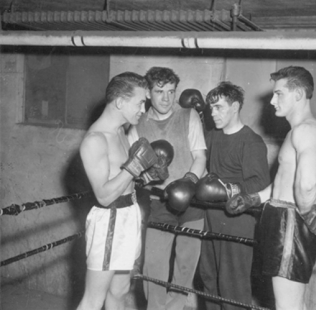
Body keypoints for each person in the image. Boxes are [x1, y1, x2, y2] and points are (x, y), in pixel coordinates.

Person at [226, 66, 316, 310]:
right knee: (290, 303)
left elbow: (307, 185)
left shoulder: (306, 131)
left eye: (279, 94)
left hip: (290, 224)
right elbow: (281, 185)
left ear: (298, 94)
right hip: (284, 220)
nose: (273, 101)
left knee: (288, 306)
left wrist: (306, 212)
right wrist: (253, 198)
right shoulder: (297, 132)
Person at [77, 72, 164, 310]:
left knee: (120, 291)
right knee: (93, 299)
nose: (143, 109)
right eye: (140, 103)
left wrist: (145, 175)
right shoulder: (95, 140)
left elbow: (124, 178)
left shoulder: (121, 132)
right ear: (119, 102)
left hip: (128, 215)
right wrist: (133, 166)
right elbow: (104, 196)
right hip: (109, 221)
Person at [131, 67, 207, 310]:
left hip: (192, 200)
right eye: (159, 91)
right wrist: (147, 175)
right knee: (153, 264)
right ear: (148, 93)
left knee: (186, 265)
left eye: (171, 91)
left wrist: (188, 181)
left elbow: (200, 156)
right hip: (159, 202)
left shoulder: (189, 115)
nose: (166, 98)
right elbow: (131, 166)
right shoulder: (137, 122)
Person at [195, 81, 271, 310]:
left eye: (219, 107)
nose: (213, 113)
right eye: (211, 108)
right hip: (211, 217)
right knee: (209, 279)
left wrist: (227, 189)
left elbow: (260, 182)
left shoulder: (251, 141)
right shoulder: (212, 136)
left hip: (237, 218)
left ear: (235, 106)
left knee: (232, 286)